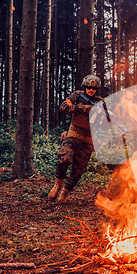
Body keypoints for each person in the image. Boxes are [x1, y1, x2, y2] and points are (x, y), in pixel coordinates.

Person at [48, 74, 103, 203]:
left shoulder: (100, 103)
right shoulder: (77, 96)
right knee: (64, 159)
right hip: (72, 136)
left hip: (87, 142)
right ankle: (57, 185)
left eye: (94, 89)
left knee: (78, 171)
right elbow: (63, 107)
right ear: (85, 87)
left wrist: (102, 118)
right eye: (88, 87)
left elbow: (105, 127)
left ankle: (64, 193)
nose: (91, 90)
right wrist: (82, 108)